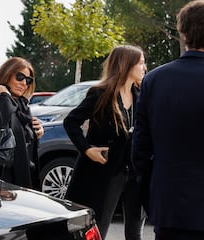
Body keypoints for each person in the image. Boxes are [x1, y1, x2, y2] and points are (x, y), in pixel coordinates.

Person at [131, 1, 204, 239]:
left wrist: (152, 200)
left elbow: (140, 152)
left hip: (171, 208)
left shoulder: (154, 80)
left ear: (182, 33)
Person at [63, 45, 147, 240]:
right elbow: (71, 122)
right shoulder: (100, 94)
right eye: (141, 63)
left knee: (135, 231)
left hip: (133, 172)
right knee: (99, 227)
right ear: (127, 65)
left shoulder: (141, 96)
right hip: (106, 171)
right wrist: (87, 149)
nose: (144, 68)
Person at [0, 57, 44, 188]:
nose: (24, 83)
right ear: (7, 74)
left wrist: (36, 132)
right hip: (2, 177)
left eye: (28, 80)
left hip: (25, 173)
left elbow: (24, 140)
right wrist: (4, 95)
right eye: (20, 77)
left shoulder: (22, 105)